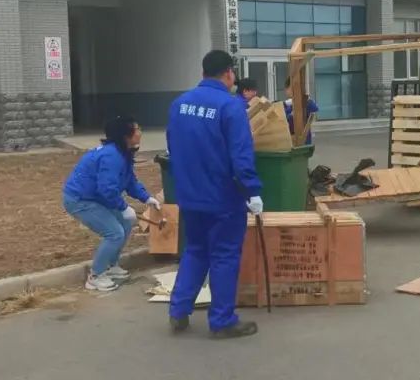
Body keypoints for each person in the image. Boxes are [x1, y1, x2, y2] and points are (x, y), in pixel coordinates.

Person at [166, 50, 262, 338]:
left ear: (203, 72)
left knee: (195, 250)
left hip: (189, 194)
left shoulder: (179, 104)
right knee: (224, 255)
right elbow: (241, 155)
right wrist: (252, 191)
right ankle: (222, 320)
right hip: (223, 197)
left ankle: (178, 310)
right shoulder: (231, 107)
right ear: (229, 73)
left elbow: (172, 147)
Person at [63, 115, 160, 292]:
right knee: (114, 233)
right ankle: (95, 276)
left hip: (95, 198)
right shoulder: (111, 156)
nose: (140, 132)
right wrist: (123, 207)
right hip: (80, 200)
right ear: (126, 135)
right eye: (137, 129)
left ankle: (111, 265)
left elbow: (129, 180)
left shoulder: (122, 152)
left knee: (125, 223)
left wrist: (146, 198)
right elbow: (107, 189)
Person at [283, 76, 319, 145]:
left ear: (291, 87)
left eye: (286, 89)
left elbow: (314, 108)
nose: (286, 92)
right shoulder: (289, 105)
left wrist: (305, 99)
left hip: (300, 142)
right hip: (294, 140)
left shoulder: (306, 103)